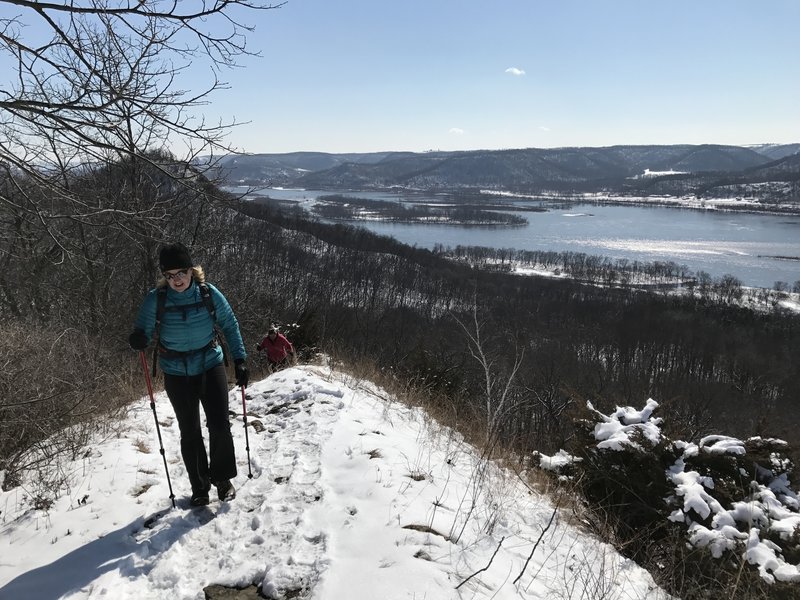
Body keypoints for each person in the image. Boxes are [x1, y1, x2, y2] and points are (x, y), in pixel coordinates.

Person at [128, 243, 248, 507]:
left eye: (181, 272)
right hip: (176, 373)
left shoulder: (208, 294)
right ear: (164, 276)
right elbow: (143, 331)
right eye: (170, 275)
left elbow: (229, 324)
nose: (177, 279)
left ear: (192, 271)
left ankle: (223, 480)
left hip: (210, 365)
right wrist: (138, 339)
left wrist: (240, 359)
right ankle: (200, 487)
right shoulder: (156, 299)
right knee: (190, 431)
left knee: (219, 425)